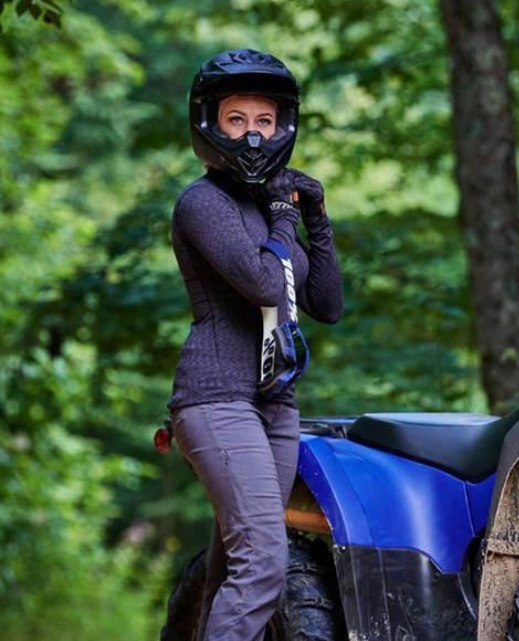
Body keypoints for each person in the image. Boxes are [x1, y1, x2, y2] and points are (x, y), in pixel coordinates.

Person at [166, 49, 343, 641]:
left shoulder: (272, 211)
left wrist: (314, 217)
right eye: (236, 119)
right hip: (216, 398)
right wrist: (283, 217)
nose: (251, 134)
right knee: (265, 561)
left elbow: (326, 305)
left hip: (276, 403)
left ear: (282, 126)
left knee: (232, 566)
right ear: (211, 124)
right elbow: (267, 285)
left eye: (263, 121)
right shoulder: (202, 203)